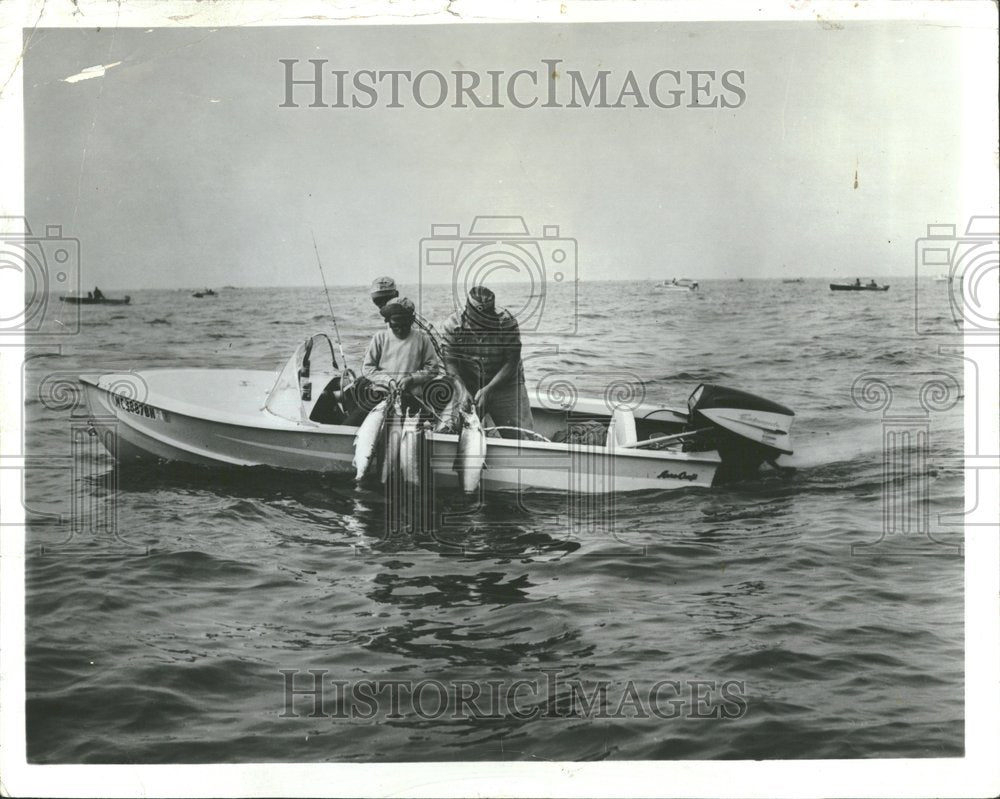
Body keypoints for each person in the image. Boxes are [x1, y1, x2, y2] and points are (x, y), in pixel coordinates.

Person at [440, 286, 534, 438]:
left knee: (523, 439)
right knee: (448, 433)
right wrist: (462, 391)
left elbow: (512, 361)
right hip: (469, 384)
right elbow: (450, 363)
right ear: (467, 312)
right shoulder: (452, 326)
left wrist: (489, 388)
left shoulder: (506, 322)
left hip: (506, 384)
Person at [342, 297, 444, 424]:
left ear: (412, 320)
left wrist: (411, 379)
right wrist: (388, 381)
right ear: (388, 321)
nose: (400, 330)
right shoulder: (380, 337)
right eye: (395, 326)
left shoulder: (422, 338)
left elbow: (433, 369)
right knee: (350, 424)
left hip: (411, 397)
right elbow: (368, 369)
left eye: (404, 325)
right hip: (381, 395)